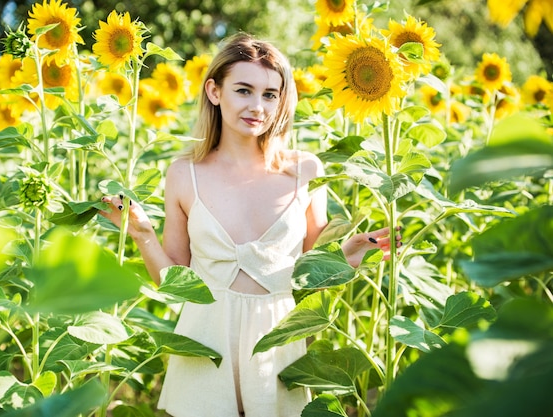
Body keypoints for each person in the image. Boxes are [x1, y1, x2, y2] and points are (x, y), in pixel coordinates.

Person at [100, 33, 399, 417]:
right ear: (214, 91)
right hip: (204, 337)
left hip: (278, 341)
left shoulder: (305, 170)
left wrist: (352, 253)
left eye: (270, 94)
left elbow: (314, 272)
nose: (257, 106)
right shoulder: (183, 173)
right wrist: (142, 234)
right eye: (244, 90)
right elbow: (175, 281)